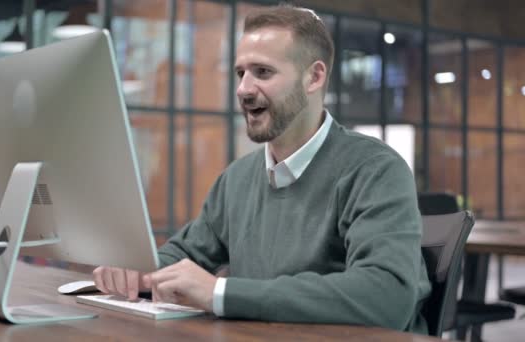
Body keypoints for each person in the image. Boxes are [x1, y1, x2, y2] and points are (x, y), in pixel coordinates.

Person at [93, 4, 431, 334]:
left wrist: (221, 294)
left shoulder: (375, 169)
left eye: (263, 72)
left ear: (314, 77)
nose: (243, 89)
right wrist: (141, 272)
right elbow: (185, 253)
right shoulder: (236, 178)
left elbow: (388, 295)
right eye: (241, 73)